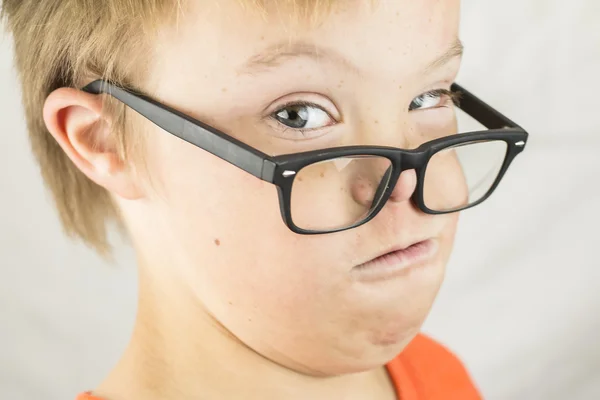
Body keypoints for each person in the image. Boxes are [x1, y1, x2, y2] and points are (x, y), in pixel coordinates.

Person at [1, 0, 528, 398]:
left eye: (427, 96)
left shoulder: (439, 378)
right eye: (297, 115)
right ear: (105, 142)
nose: (412, 181)